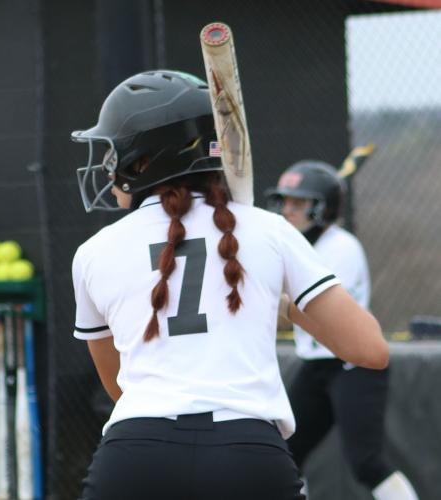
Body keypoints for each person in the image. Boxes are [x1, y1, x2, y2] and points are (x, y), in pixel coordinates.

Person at [70, 70, 388, 500]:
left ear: (145, 158)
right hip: (248, 456)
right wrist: (285, 301)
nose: (107, 164)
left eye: (114, 150)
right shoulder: (270, 230)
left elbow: (118, 384)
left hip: (134, 458)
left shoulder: (93, 251)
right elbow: (370, 349)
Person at [264, 161, 418, 500]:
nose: (288, 210)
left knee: (366, 461)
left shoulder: (341, 247)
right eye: (285, 201)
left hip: (353, 366)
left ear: (323, 208)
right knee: (284, 454)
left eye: (299, 203)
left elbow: (317, 316)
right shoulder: (295, 244)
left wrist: (275, 300)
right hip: (315, 364)